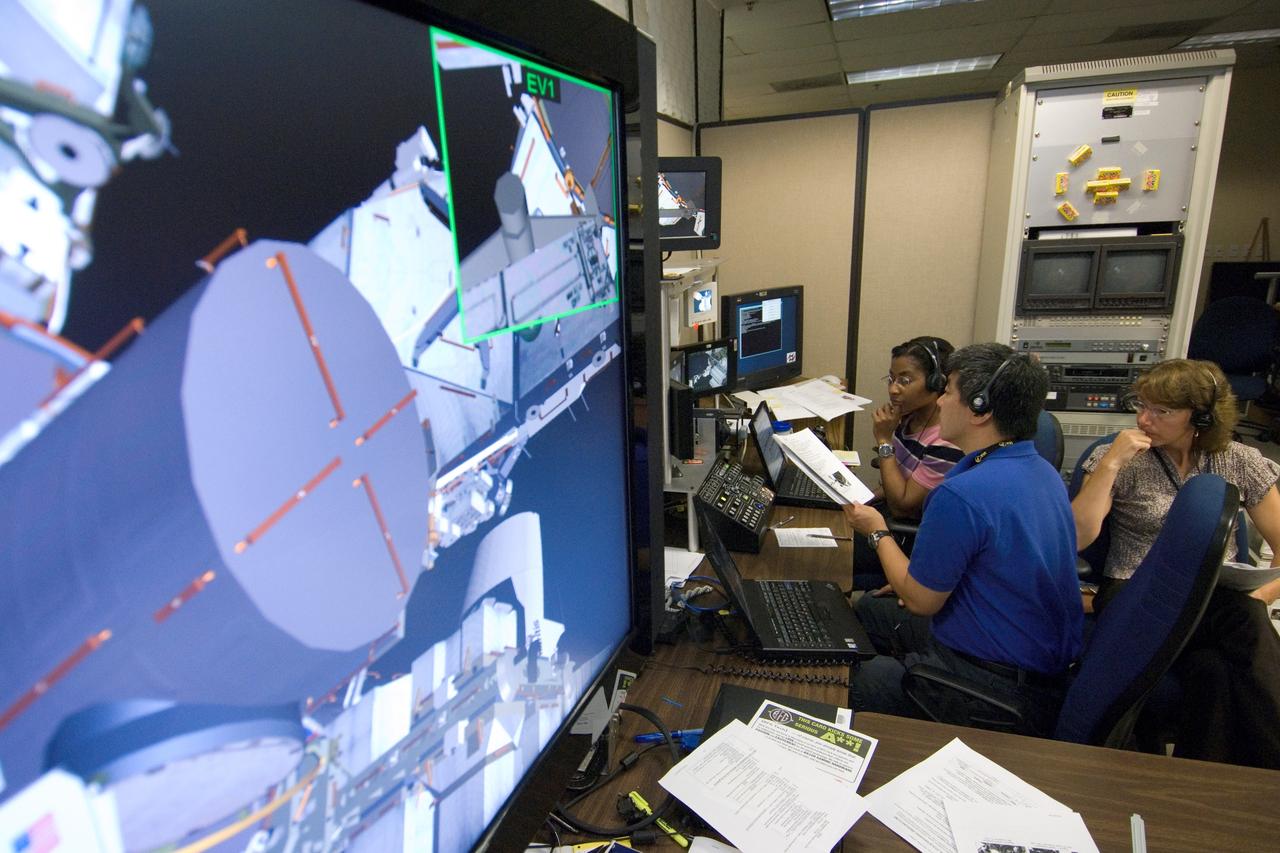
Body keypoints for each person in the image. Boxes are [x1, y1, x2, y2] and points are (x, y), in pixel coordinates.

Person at [845, 343, 1083, 734]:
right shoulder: (1043, 471)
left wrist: (876, 530)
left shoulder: (963, 494)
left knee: (833, 680)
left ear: (980, 408)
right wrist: (914, 575)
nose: (940, 402)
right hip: (1032, 664)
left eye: (949, 391)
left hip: (990, 683)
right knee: (866, 610)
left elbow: (921, 601)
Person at [1071, 358, 1280, 768]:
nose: (1144, 419)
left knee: (1214, 672)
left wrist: (1261, 593)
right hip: (1136, 593)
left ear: (1201, 416)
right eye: (1141, 405)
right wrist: (1111, 463)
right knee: (1244, 620)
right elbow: (1078, 536)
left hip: (1216, 600)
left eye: (1161, 411)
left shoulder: (1239, 460)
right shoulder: (1121, 459)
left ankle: (1200, 784)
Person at [852, 336, 965, 589]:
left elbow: (903, 506)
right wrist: (863, 497)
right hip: (888, 517)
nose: (893, 389)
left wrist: (884, 440)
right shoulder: (908, 416)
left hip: (908, 536)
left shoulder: (946, 440)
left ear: (938, 382)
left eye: (905, 380)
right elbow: (899, 479)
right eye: (891, 379)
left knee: (829, 553)